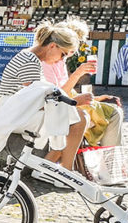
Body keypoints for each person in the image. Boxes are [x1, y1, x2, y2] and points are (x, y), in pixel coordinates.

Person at [0, 21, 98, 187]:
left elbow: (41, 97)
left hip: (17, 110)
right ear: (52, 46)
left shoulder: (30, 57)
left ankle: (63, 170)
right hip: (13, 113)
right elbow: (36, 101)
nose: (62, 59)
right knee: (78, 117)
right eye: (63, 54)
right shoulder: (30, 60)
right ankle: (65, 171)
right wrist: (73, 102)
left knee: (78, 116)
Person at [41, 17, 122, 153]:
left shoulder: (59, 60)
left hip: (66, 102)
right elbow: (58, 94)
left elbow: (66, 92)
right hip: (59, 106)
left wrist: (98, 98)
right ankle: (110, 161)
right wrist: (78, 73)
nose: (73, 52)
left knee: (113, 110)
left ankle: (111, 161)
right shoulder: (48, 62)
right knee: (113, 114)